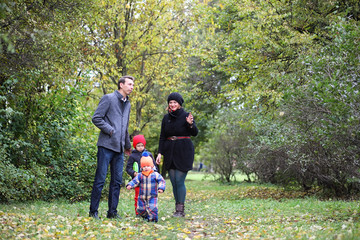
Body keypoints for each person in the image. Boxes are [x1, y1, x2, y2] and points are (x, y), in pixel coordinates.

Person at [89, 75, 134, 220]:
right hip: (106, 146)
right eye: (129, 84)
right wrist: (110, 130)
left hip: (119, 149)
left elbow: (125, 127)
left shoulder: (128, 104)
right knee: (100, 179)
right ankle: (93, 212)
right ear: (121, 85)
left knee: (116, 182)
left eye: (133, 85)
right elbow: (96, 118)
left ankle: (112, 212)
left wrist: (127, 145)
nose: (131, 87)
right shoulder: (108, 98)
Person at [155, 92, 198, 217]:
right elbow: (162, 137)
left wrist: (190, 124)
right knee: (173, 181)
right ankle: (177, 208)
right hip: (170, 151)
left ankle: (181, 209)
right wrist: (159, 153)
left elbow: (195, 132)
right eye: (170, 102)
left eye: (175, 102)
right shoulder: (166, 118)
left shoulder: (186, 116)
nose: (172, 104)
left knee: (179, 180)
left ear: (179, 104)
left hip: (184, 150)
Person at [126, 152, 166, 222]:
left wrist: (161, 188)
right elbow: (135, 181)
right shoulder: (140, 175)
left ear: (151, 166)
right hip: (142, 196)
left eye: (148, 166)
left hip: (152, 196)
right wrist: (130, 185)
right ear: (141, 167)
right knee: (140, 209)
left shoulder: (155, 174)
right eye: (144, 166)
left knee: (152, 208)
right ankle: (145, 215)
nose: (146, 168)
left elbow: (161, 181)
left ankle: (152, 220)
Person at [125, 134, 157, 216]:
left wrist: (154, 173)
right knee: (138, 197)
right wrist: (133, 173)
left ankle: (149, 211)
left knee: (149, 197)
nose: (140, 147)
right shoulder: (132, 156)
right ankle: (138, 212)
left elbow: (154, 166)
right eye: (138, 146)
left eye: (142, 145)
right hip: (138, 181)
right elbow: (128, 168)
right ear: (135, 146)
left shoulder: (149, 154)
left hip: (148, 181)